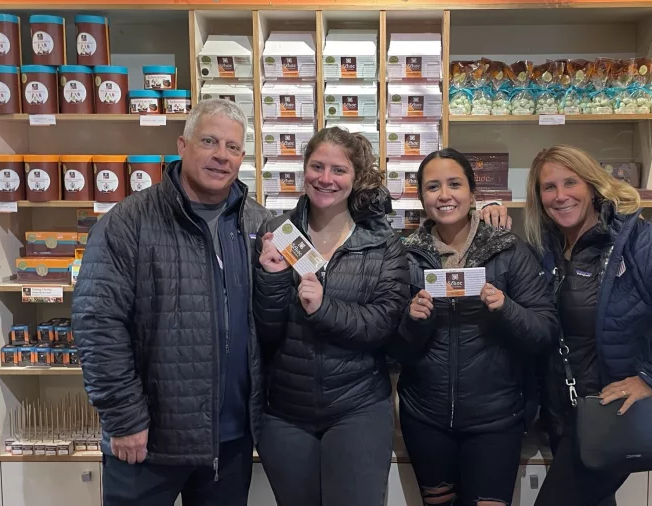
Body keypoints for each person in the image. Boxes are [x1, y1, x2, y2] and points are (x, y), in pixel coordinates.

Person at [485, 145, 652, 506]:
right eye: (548, 188)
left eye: (570, 183)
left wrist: (651, 379)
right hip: (562, 412)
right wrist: (488, 208)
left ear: (594, 186)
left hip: (612, 413)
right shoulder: (546, 246)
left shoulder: (639, 242)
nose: (560, 195)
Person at [72, 99, 270, 506]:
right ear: (182, 145)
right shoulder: (128, 222)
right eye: (209, 141)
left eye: (233, 147)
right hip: (148, 441)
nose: (221, 155)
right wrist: (124, 419)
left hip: (230, 442)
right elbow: (97, 325)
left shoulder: (259, 224)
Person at [389, 149, 558, 506]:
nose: (444, 195)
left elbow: (544, 332)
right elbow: (394, 351)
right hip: (425, 418)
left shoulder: (509, 250)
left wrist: (505, 308)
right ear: (421, 197)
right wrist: (413, 320)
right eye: (433, 186)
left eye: (454, 184)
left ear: (472, 193)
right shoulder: (405, 257)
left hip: (496, 420)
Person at [253, 127, 410, 506]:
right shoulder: (278, 232)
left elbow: (381, 325)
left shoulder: (381, 243)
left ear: (355, 178)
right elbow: (266, 332)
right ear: (304, 169)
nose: (325, 178)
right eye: (317, 166)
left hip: (358, 408)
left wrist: (325, 309)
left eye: (338, 170)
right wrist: (271, 279)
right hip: (286, 413)